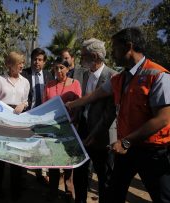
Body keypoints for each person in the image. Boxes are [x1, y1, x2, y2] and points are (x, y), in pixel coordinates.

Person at [66, 27, 170, 203]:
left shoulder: (158, 75)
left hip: (153, 152)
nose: (112, 53)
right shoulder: (120, 78)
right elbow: (95, 95)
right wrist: (72, 104)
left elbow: (163, 118)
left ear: (128, 47)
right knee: (113, 193)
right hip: (127, 149)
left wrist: (126, 141)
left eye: (114, 48)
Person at [73, 38, 117, 203]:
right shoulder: (84, 74)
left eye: (83, 55)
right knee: (80, 174)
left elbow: (110, 113)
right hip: (83, 131)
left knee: (104, 178)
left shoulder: (113, 77)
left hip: (102, 136)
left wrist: (95, 133)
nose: (81, 59)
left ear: (95, 57)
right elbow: (83, 103)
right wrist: (76, 117)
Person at [0, 51, 30, 201]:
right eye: (18, 62)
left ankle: (16, 191)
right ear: (9, 64)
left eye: (22, 62)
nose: (22, 65)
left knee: (16, 158)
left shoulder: (25, 82)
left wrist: (23, 105)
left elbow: (26, 100)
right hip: (1, 122)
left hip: (18, 122)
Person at [42, 58, 82, 201]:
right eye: (56, 68)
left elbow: (79, 104)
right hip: (53, 129)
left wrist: (75, 119)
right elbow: (44, 106)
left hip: (70, 129)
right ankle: (52, 193)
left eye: (61, 68)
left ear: (67, 69)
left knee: (68, 165)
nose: (58, 71)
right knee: (53, 163)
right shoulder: (49, 85)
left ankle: (69, 194)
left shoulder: (75, 83)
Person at [21, 47, 54, 184]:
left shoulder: (49, 75)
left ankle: (40, 174)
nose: (36, 62)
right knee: (26, 147)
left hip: (43, 116)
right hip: (27, 114)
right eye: (34, 59)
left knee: (41, 145)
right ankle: (22, 177)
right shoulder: (24, 74)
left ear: (44, 62)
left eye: (40, 60)